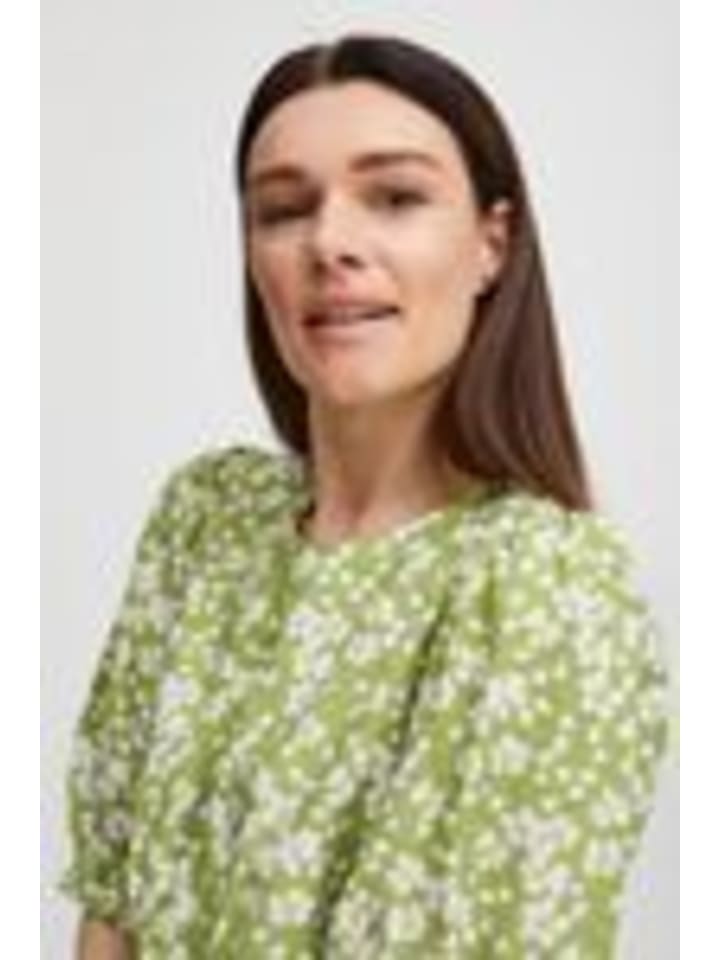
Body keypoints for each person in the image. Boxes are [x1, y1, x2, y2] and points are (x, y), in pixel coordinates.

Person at [60, 34, 670, 959]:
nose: (329, 243)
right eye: (282, 210)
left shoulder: (543, 584)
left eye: (395, 197)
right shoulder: (206, 519)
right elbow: (113, 903)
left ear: (492, 244)